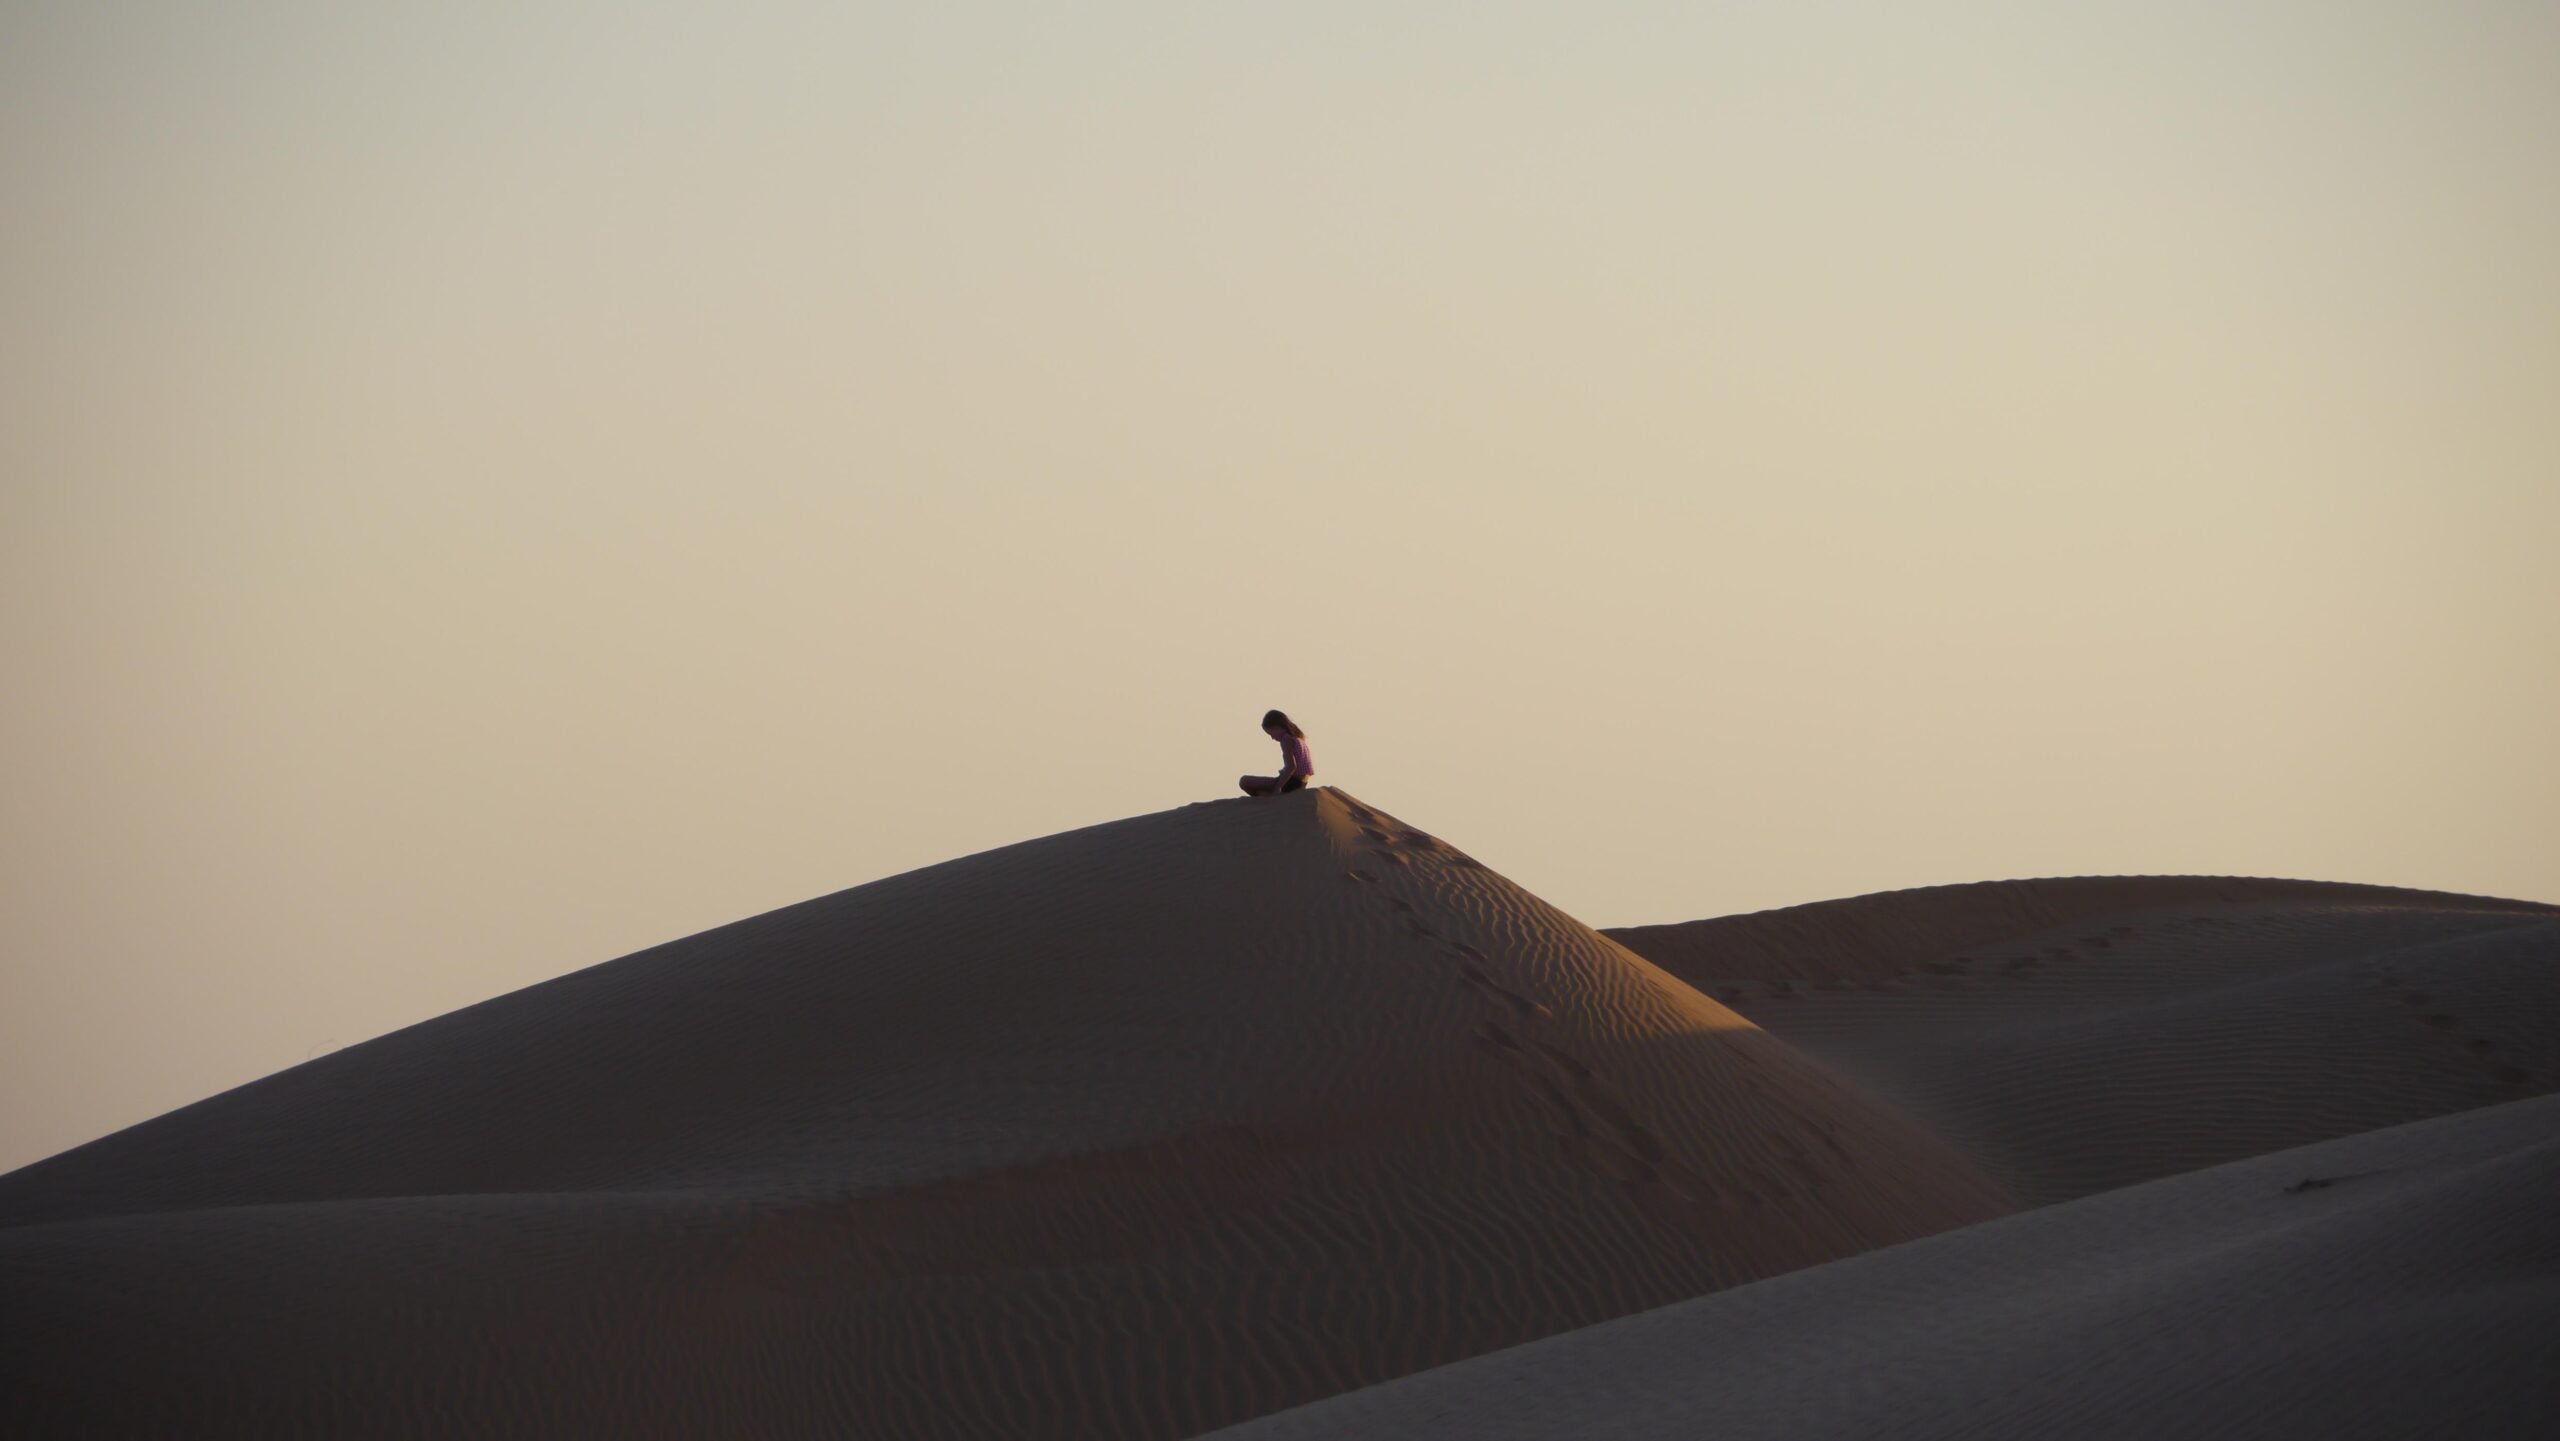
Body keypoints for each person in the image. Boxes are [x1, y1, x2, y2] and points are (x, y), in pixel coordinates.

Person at [1239, 709, 1314, 797]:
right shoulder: (1298, 738)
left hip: (1292, 782)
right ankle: (1267, 796)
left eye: (1271, 733)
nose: (1272, 738)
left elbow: (1291, 766)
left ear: (1277, 727)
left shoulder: (1286, 739)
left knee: (1244, 781)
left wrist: (1278, 787)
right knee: (1259, 787)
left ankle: (1268, 799)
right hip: (1302, 782)